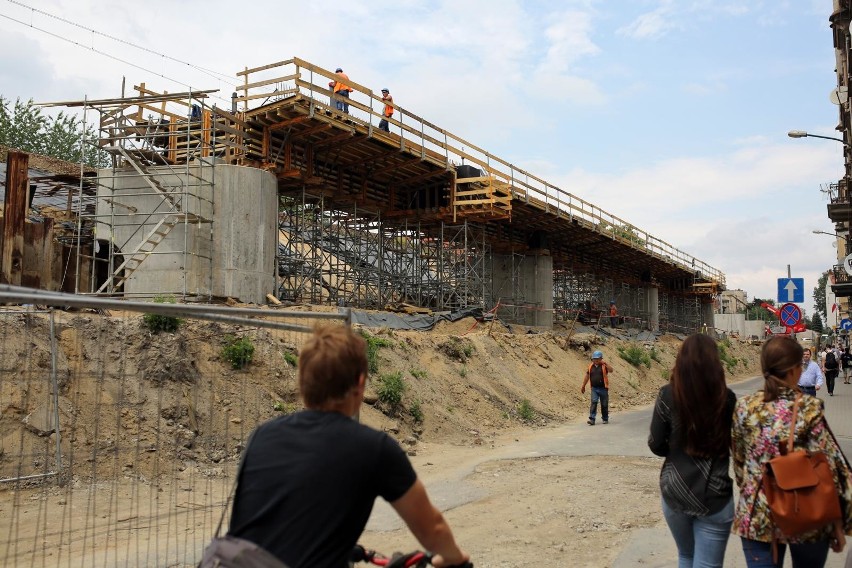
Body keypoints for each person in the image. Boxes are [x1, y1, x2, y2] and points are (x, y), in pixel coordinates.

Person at [228, 326, 470, 568]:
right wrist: (453, 559)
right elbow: (433, 529)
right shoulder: (374, 448)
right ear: (360, 384)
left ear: (302, 383)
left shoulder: (262, 436)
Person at [732, 336, 852, 567]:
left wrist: (753, 489)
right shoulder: (809, 408)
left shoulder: (744, 407)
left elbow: (739, 462)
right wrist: (839, 523)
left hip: (758, 515)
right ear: (796, 370)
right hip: (807, 514)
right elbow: (831, 466)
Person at [648, 334, 737, 568]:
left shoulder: (668, 395)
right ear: (715, 363)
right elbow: (736, 445)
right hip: (715, 493)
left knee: (686, 555)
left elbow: (655, 444)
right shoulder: (727, 399)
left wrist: (677, 449)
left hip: (675, 490)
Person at [581, 350, 612, 425]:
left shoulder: (604, 366)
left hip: (603, 388)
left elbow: (611, 370)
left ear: (601, 358)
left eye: (598, 359)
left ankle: (605, 418)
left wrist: (606, 364)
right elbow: (587, 376)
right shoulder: (590, 366)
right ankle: (592, 419)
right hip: (594, 388)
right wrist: (583, 386)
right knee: (594, 402)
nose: (596, 360)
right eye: (594, 359)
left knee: (604, 404)